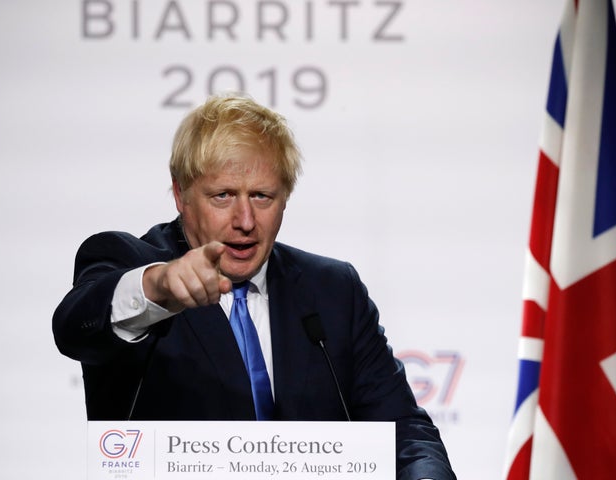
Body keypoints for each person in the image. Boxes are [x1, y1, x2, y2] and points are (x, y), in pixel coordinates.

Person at [53, 93, 456, 479]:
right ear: (181, 193)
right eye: (223, 195)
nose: (245, 220)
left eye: (262, 196)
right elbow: (75, 328)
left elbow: (404, 431)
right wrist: (158, 286)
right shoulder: (129, 263)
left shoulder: (333, 290)